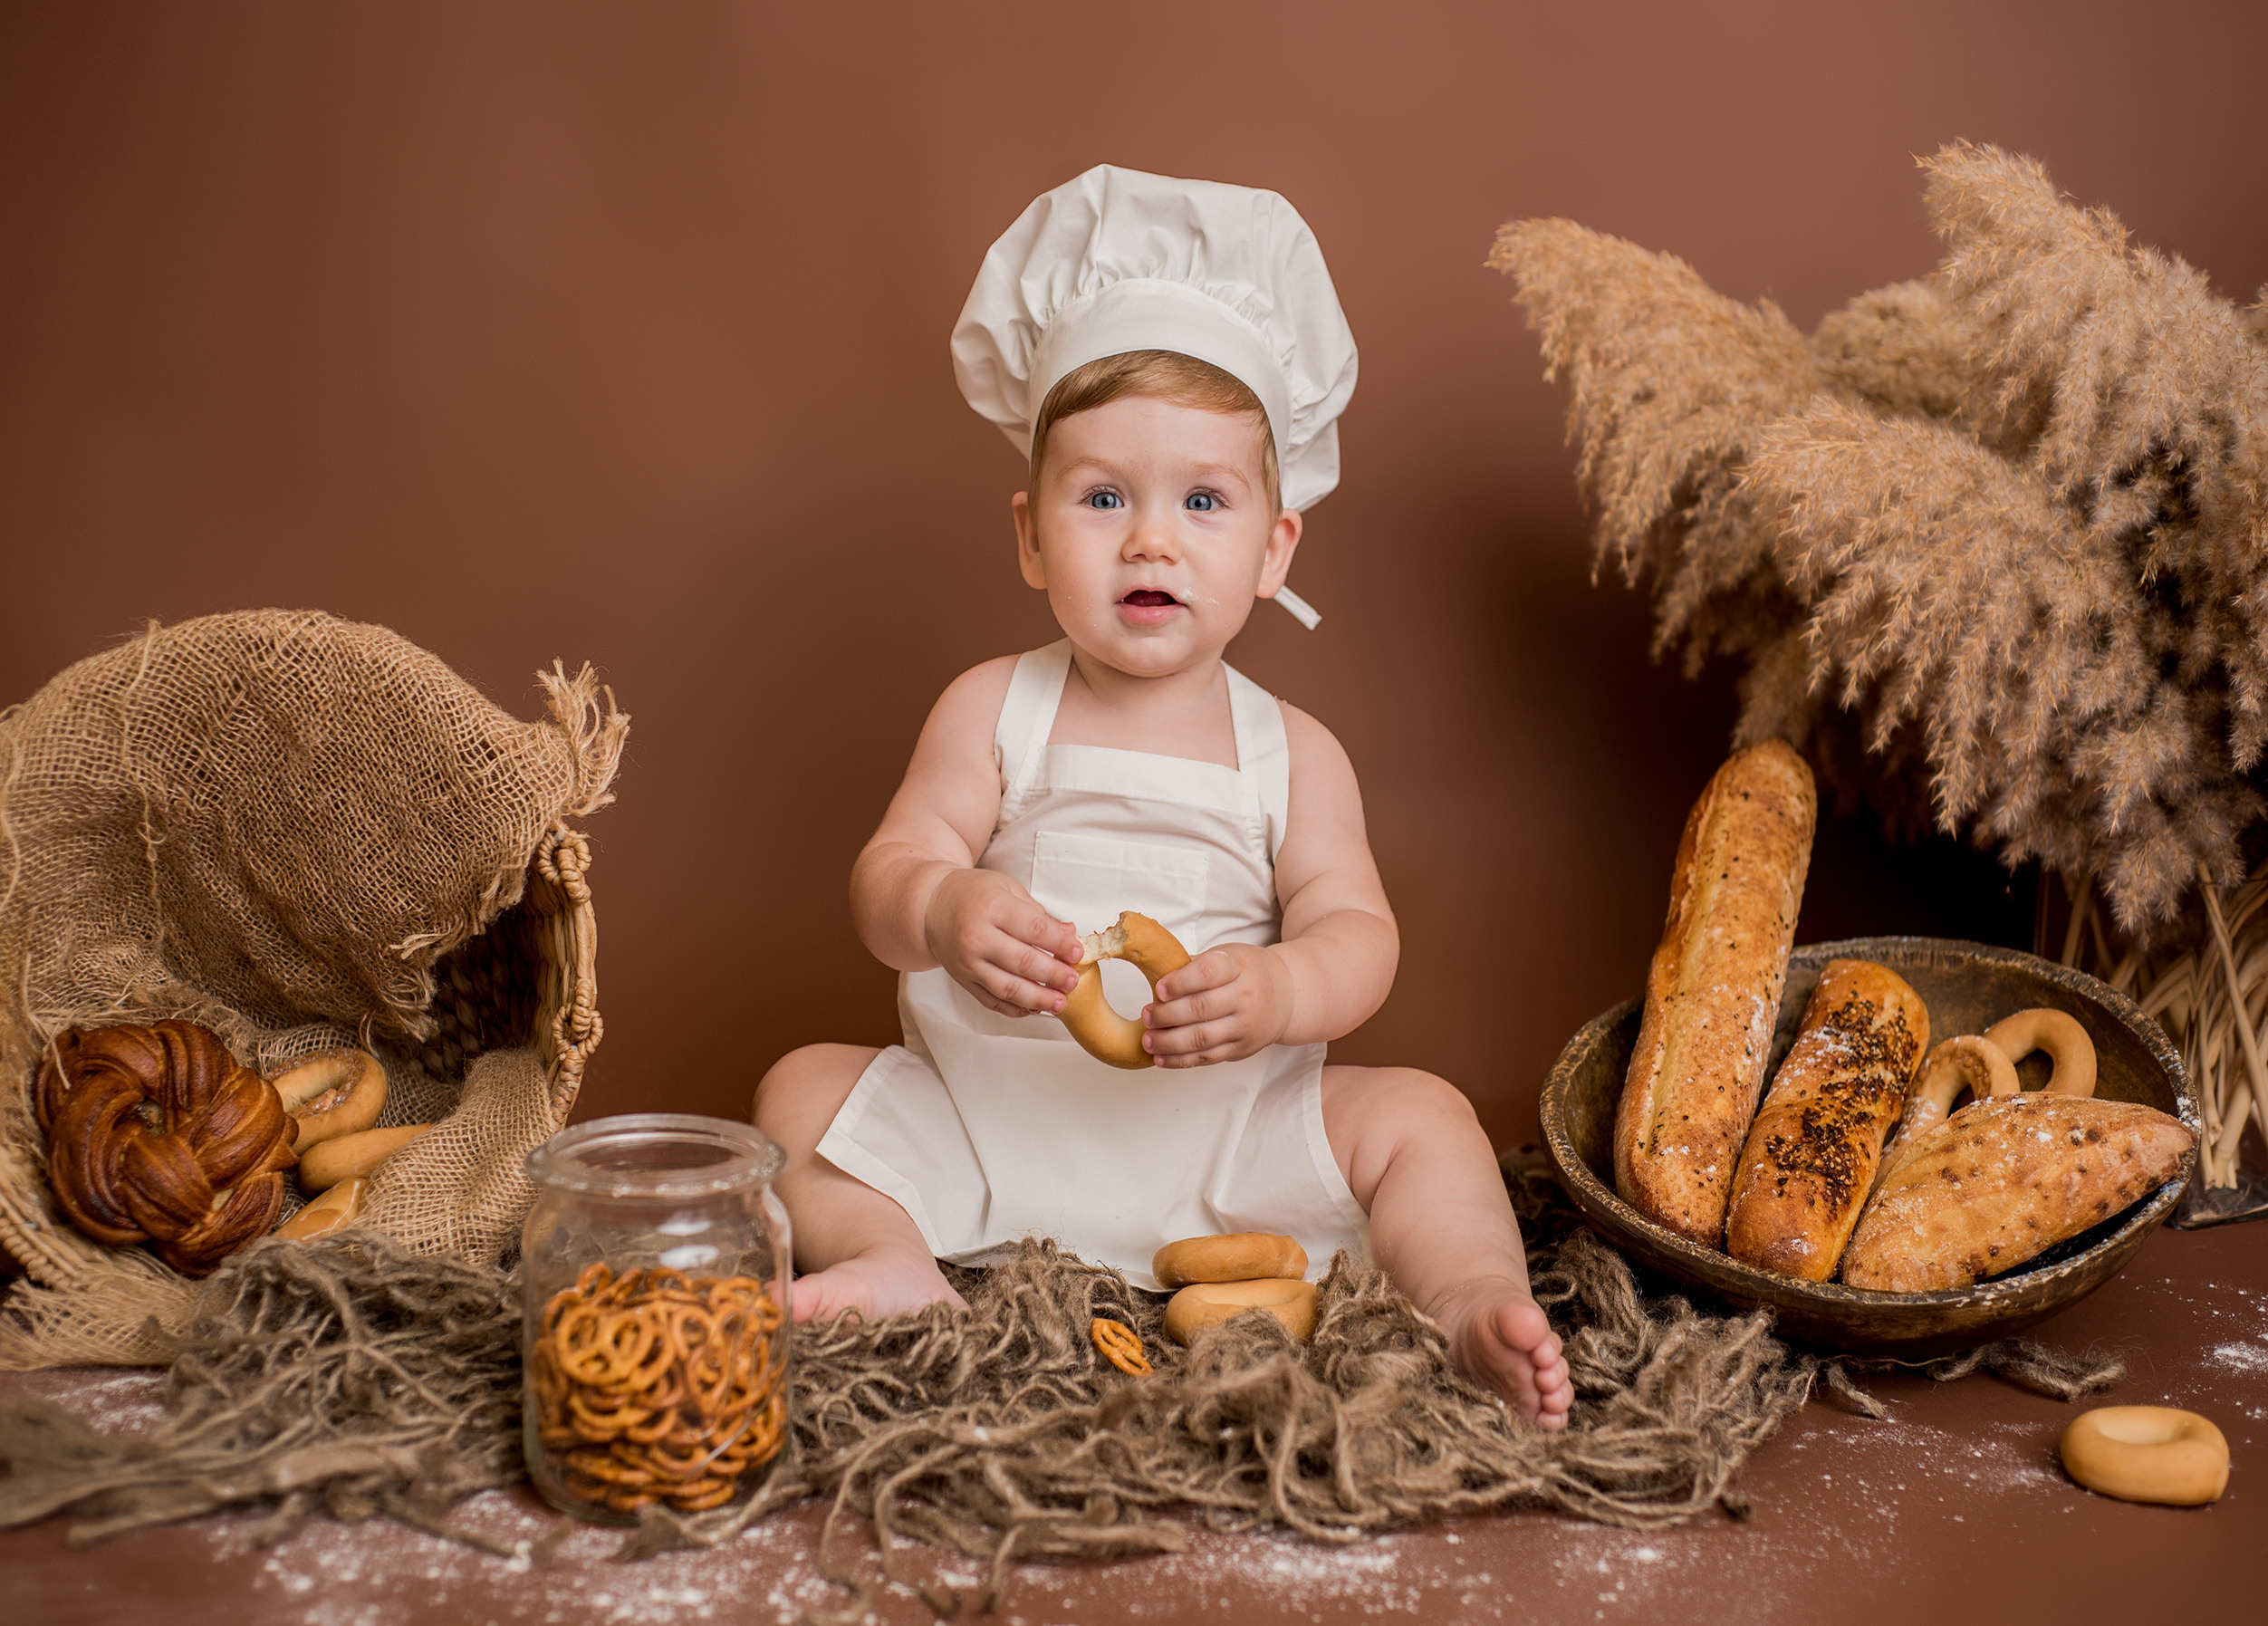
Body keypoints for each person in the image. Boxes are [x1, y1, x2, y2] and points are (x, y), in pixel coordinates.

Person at [754, 166, 1571, 1426]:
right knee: (802, 1087)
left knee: (1424, 1116)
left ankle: (1466, 1296)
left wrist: (1283, 989)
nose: (1152, 539)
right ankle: (895, 1260)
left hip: (1226, 1141)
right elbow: (887, 876)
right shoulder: (992, 708)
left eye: (1202, 500)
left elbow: (1359, 932)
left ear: (1272, 545)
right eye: (1103, 499)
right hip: (988, 1120)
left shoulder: (1291, 750)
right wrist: (946, 906)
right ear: (1031, 537)